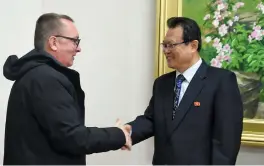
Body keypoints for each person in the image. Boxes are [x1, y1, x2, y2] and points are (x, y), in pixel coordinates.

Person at [3, 13, 131, 165]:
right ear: (54, 42)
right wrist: (119, 135)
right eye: (75, 41)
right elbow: (72, 137)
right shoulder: (45, 79)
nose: (79, 49)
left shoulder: (35, 75)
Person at [122, 17, 243, 165]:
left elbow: (226, 141)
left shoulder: (221, 81)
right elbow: (152, 120)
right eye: (164, 45)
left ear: (193, 45)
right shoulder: (162, 83)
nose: (166, 51)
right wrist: (126, 132)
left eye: (171, 45)